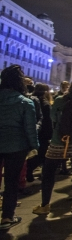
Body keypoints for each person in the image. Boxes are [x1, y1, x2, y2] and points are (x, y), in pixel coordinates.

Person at [32, 75, 72, 216]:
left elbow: (53, 118)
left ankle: (45, 205)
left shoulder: (60, 100)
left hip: (58, 141)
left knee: (48, 174)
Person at [0, 65, 38, 230]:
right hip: (16, 146)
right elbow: (30, 128)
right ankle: (7, 216)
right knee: (11, 181)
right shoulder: (25, 102)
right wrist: (34, 146)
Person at [26, 84, 53, 182]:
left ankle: (29, 175)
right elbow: (47, 120)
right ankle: (30, 175)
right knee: (41, 155)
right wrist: (50, 134)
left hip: (33, 131)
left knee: (32, 154)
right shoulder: (45, 103)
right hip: (43, 133)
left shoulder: (31, 100)